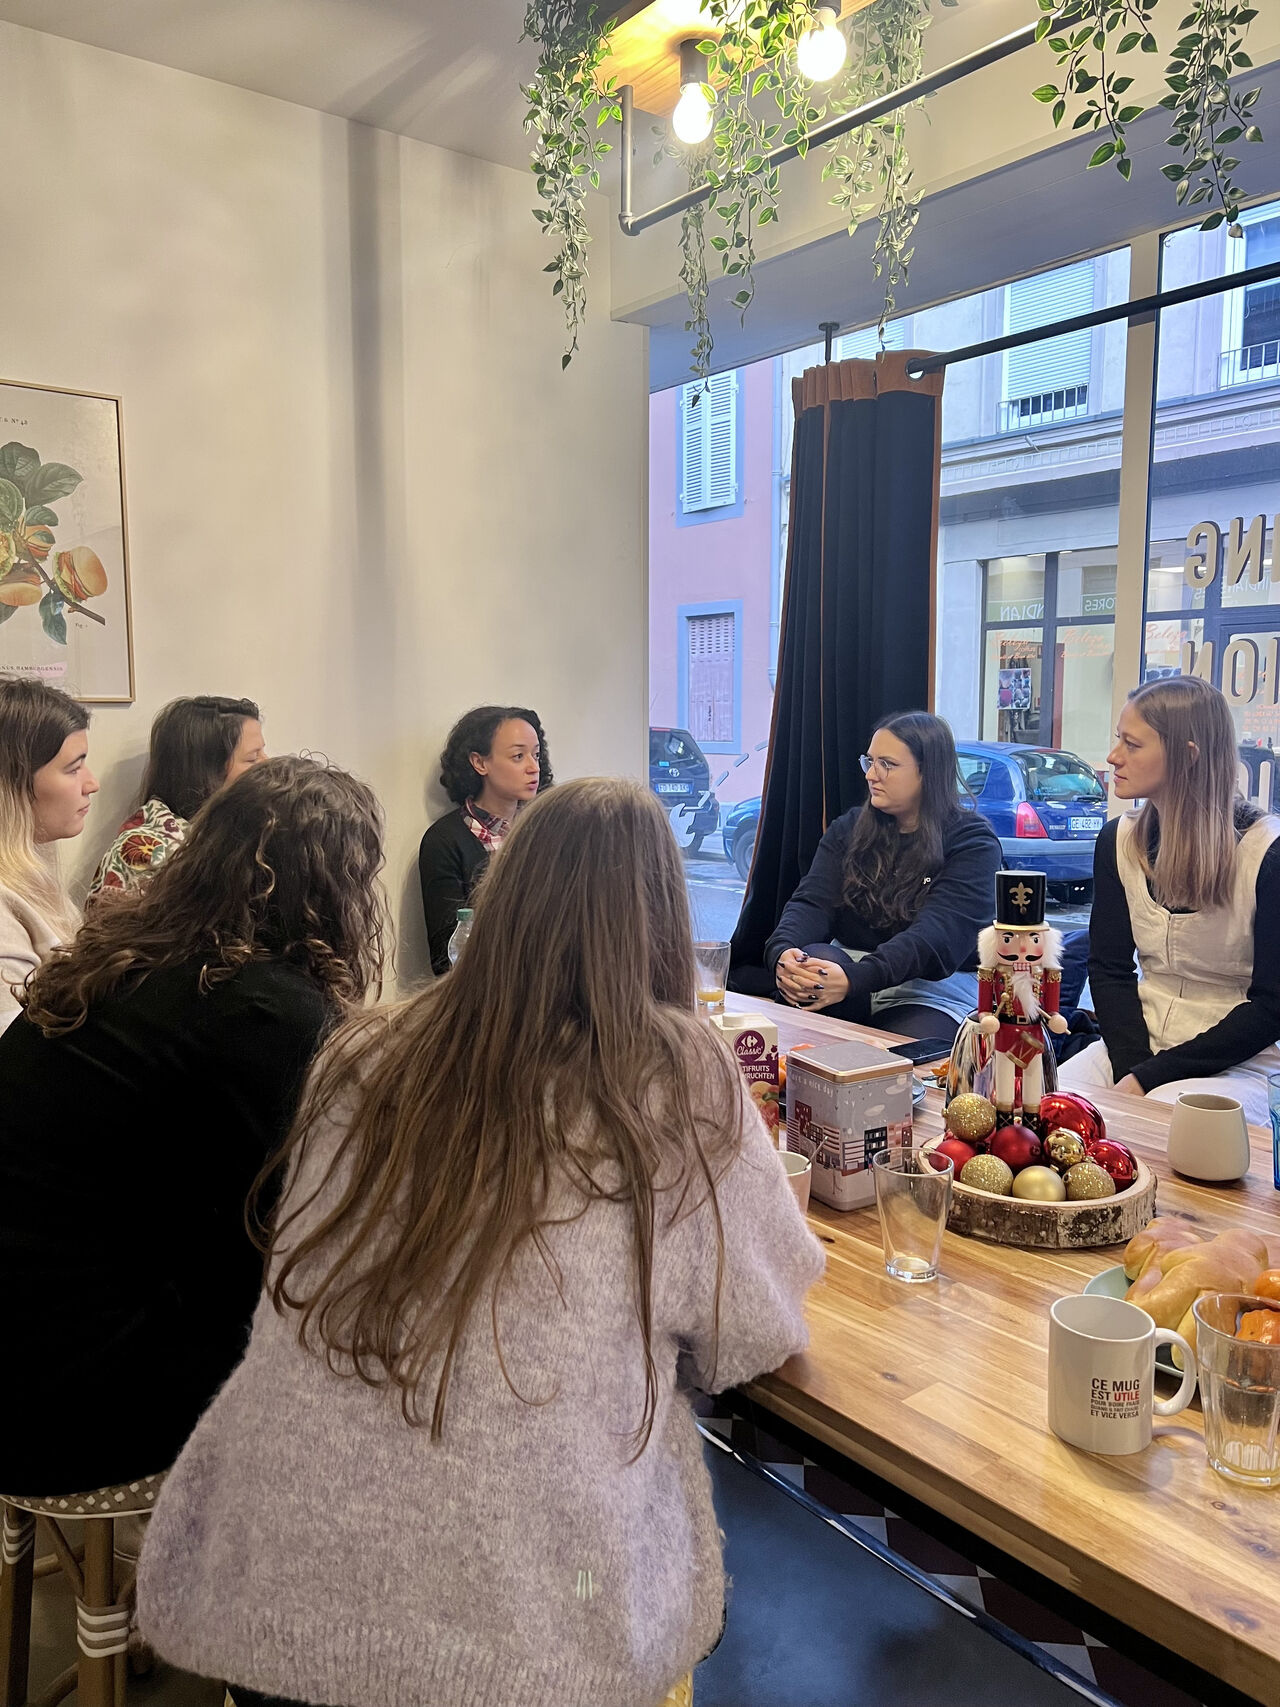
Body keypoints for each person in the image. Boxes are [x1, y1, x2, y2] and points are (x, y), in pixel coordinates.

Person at [138, 778, 823, 1707]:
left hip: (281, 1588)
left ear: (503, 897)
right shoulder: (676, 1071)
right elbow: (757, 1327)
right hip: (526, 1631)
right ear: (661, 916)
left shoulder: (362, 1049)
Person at [0, 756, 385, 1496]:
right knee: (356, 1334)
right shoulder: (264, 1008)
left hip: (22, 1346)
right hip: (73, 1403)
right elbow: (304, 1220)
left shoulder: (121, 956)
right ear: (336, 888)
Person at [1060, 676, 1280, 1125]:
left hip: (1241, 1065)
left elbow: (1272, 1007)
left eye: (1132, 745)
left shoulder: (1267, 853)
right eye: (1117, 740)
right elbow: (1110, 970)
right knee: (1047, 1108)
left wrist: (1148, 1079)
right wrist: (1132, 1068)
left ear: (1188, 755)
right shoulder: (1118, 840)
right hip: (1137, 1045)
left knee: (1159, 1124)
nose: (1113, 757)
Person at [766, 711, 1002, 1042]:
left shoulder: (972, 843)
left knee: (893, 1067)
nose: (871, 775)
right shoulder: (848, 828)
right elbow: (811, 903)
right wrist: (783, 952)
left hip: (929, 988)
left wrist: (857, 978)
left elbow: (934, 939)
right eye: (870, 761)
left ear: (927, 772)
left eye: (886, 764)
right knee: (815, 964)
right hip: (846, 974)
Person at [417, 704, 551, 974]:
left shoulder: (548, 830)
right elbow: (446, 956)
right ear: (479, 762)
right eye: (518, 756)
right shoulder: (444, 841)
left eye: (536, 755)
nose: (533, 767)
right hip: (488, 995)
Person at [89, 693, 266, 897]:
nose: (267, 763)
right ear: (205, 771)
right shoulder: (145, 853)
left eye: (263, 752)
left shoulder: (240, 828)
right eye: (253, 758)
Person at [0, 677, 98, 1032]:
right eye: (73, 769)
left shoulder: (30, 872)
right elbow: (14, 1056)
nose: (92, 783)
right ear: (11, 784)